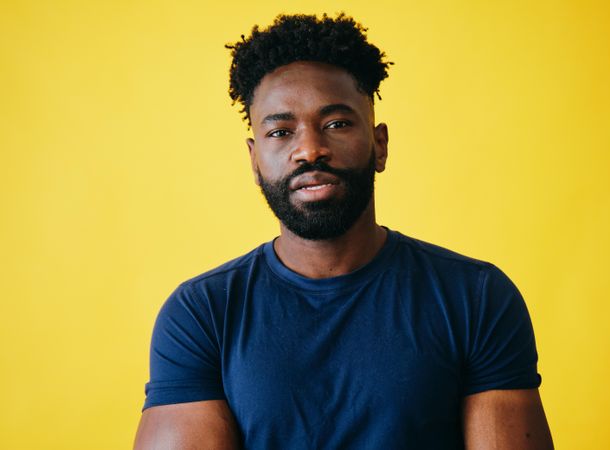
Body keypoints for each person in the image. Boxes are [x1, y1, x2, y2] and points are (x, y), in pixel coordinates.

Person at [134, 13, 554, 450]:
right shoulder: (202, 314)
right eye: (281, 131)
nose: (310, 149)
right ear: (254, 162)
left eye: (337, 124)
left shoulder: (476, 297)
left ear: (380, 145)